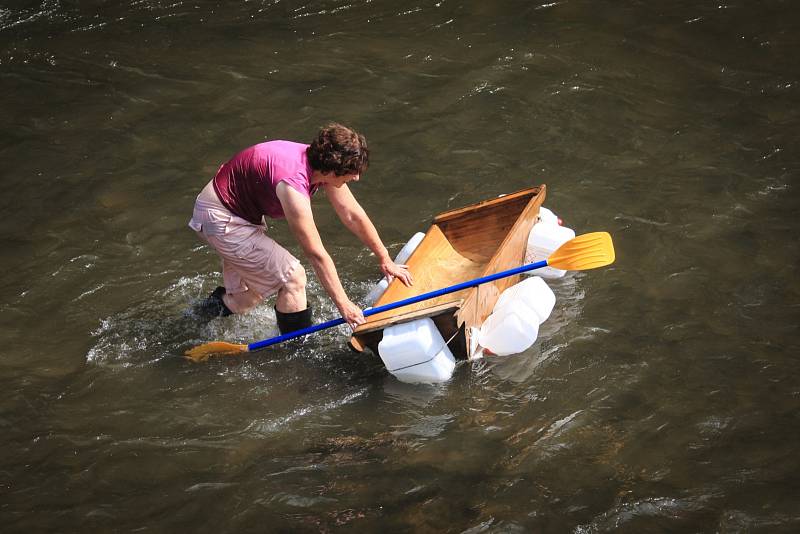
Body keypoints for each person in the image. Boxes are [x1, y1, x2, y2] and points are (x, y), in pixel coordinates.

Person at [188, 123, 413, 334]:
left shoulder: (319, 166)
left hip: (230, 213)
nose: (356, 177)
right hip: (221, 218)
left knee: (247, 298)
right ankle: (297, 352)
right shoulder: (292, 185)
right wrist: (343, 304)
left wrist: (385, 258)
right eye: (352, 171)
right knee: (293, 278)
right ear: (332, 170)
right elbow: (315, 253)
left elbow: (352, 214)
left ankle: (192, 320)